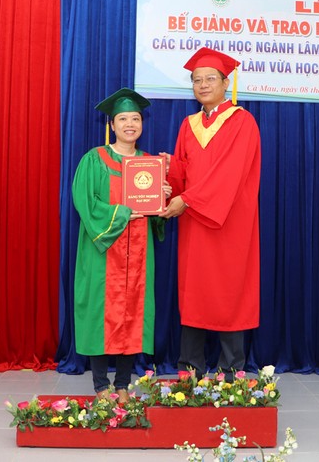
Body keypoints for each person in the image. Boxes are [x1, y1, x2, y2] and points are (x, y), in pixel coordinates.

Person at [160, 47, 262, 381]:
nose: (203, 85)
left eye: (210, 79)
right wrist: (169, 169)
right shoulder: (188, 125)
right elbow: (186, 171)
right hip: (195, 222)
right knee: (195, 291)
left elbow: (228, 174)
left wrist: (187, 199)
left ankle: (230, 372)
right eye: (197, 80)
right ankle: (190, 370)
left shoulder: (242, 122)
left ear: (225, 83)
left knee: (229, 290)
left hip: (229, 221)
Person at [72, 88, 171, 403]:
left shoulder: (149, 164)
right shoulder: (94, 160)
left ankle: (123, 384)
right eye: (123, 119)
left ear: (142, 123)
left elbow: (156, 215)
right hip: (103, 251)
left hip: (139, 252)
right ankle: (101, 385)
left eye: (136, 119)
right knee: (99, 314)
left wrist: (161, 199)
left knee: (133, 314)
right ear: (112, 125)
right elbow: (86, 203)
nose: (130, 124)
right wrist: (124, 213)